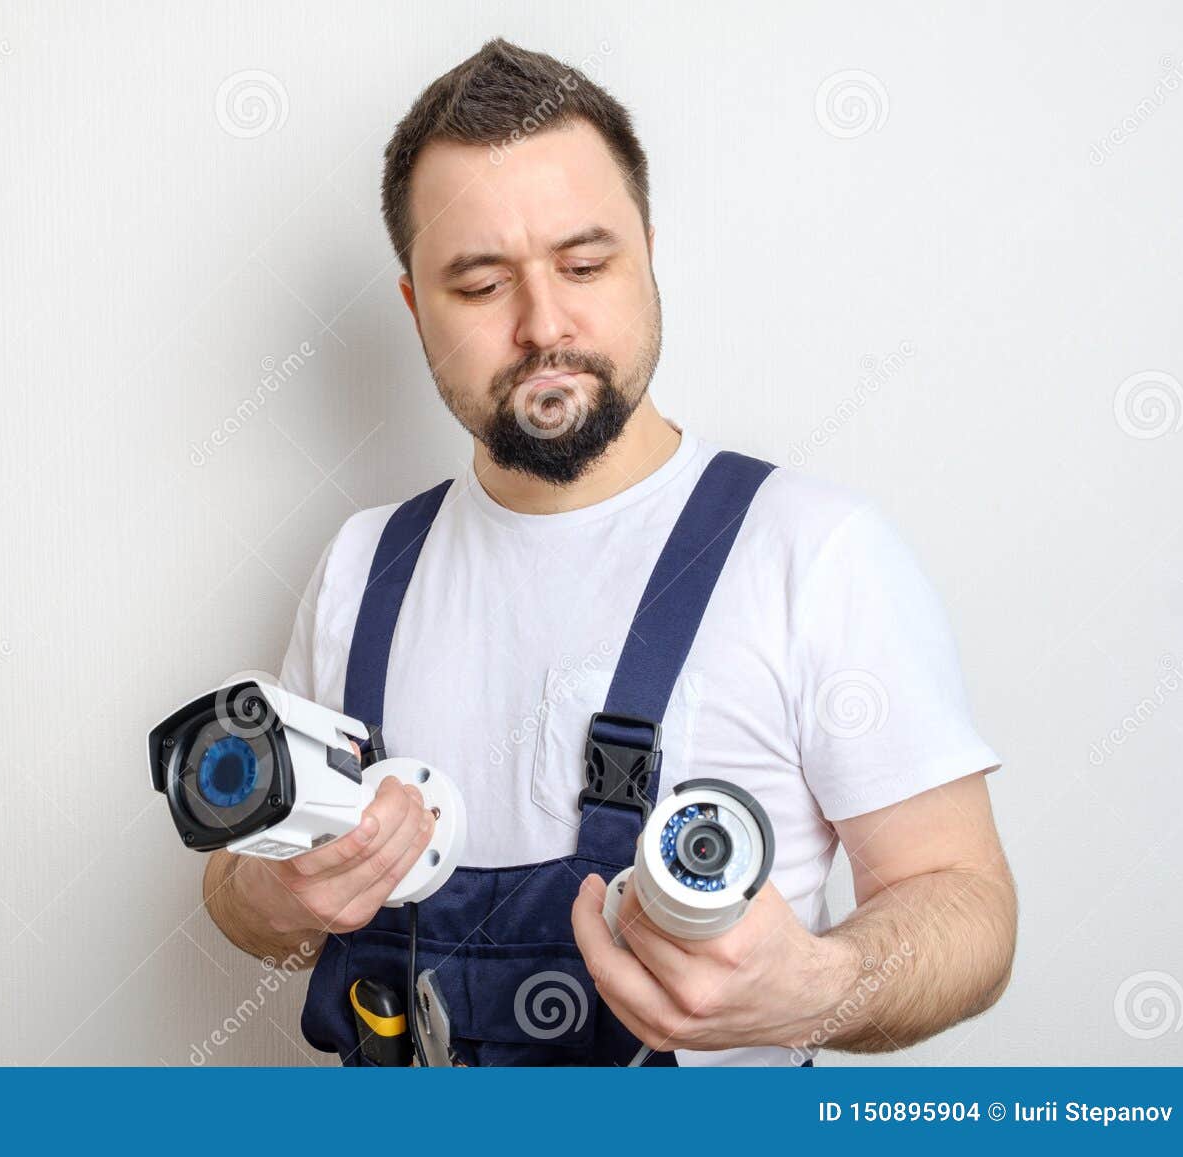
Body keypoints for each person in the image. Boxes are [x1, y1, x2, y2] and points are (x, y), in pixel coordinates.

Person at [201, 38, 1015, 1066]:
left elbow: (966, 903)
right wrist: (280, 897)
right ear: (414, 306)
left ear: (647, 255)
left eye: (585, 265)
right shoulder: (363, 567)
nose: (545, 324)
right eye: (480, 284)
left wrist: (822, 987)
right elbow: (245, 898)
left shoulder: (813, 550)